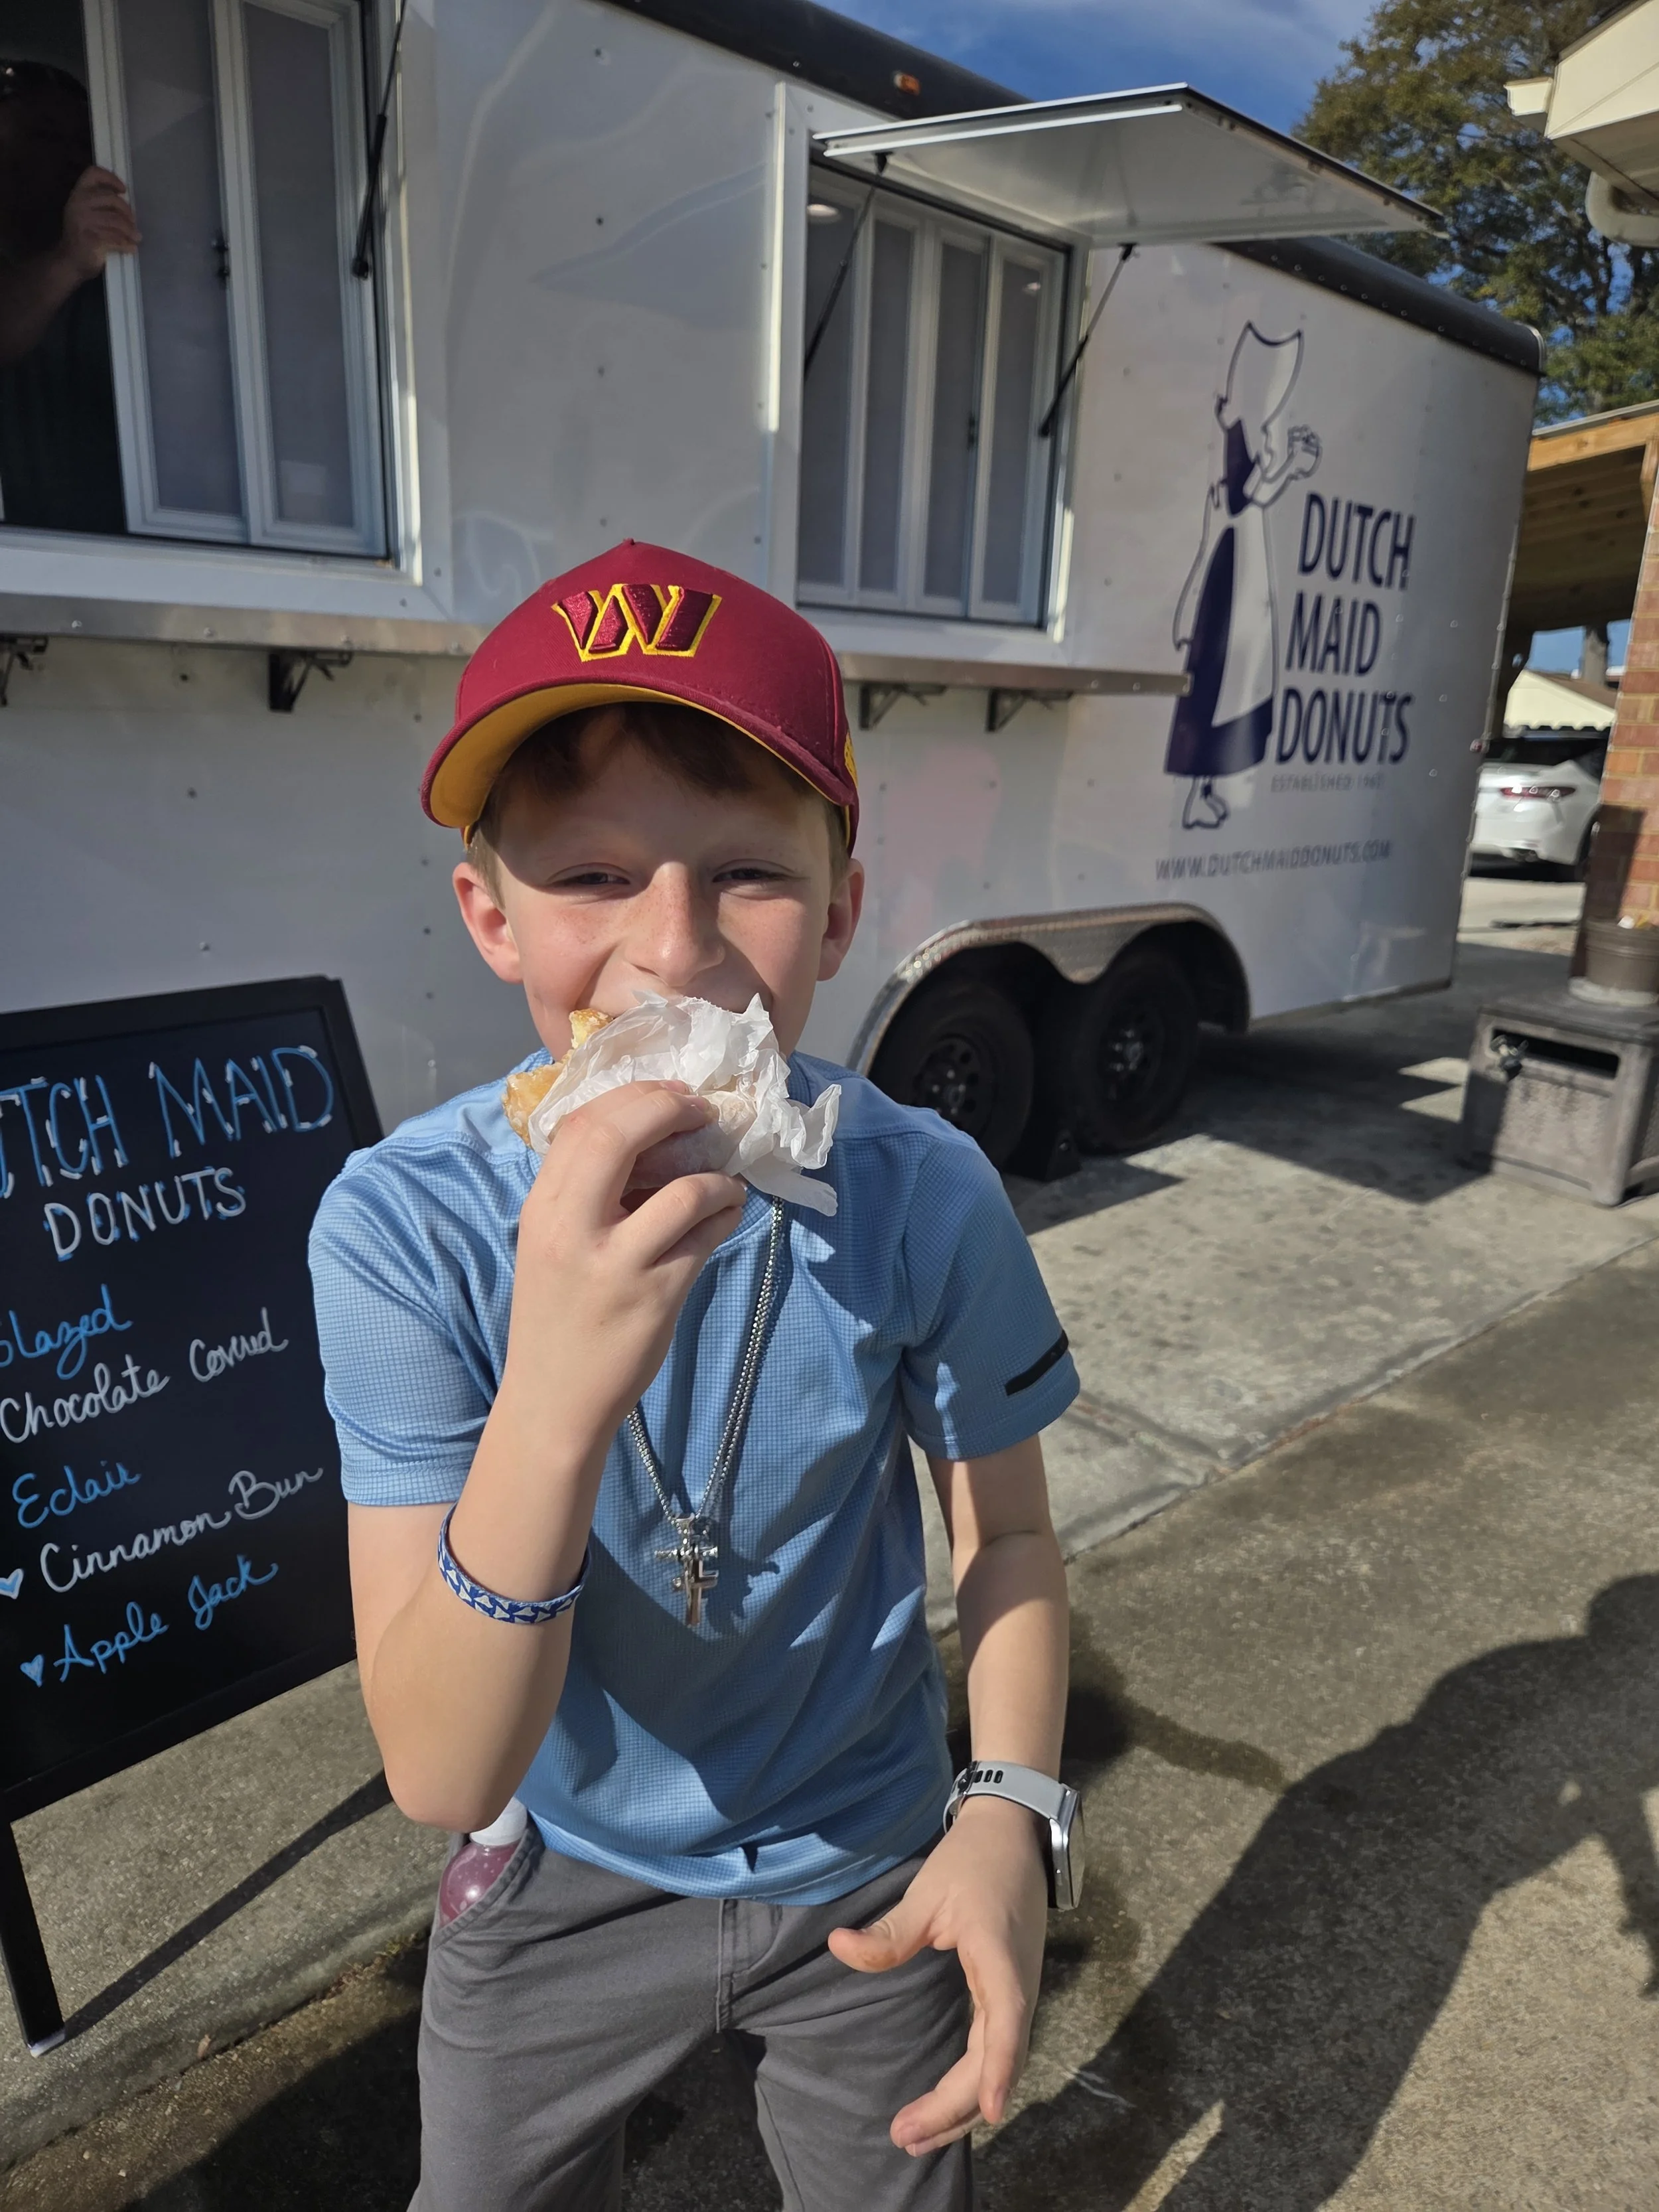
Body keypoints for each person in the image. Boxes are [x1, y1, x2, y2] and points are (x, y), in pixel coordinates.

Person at [309, 540, 1082, 2211]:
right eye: (590, 875)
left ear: (846, 906)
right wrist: (560, 1381)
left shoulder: (923, 1189)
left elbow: (1006, 1541)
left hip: (871, 1844)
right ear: (487, 914)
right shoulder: (402, 1229)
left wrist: (1009, 1810)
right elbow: (440, 1771)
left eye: (747, 871)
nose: (673, 950)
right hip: (560, 1860)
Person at [1164, 323, 1320, 831]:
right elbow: (1242, 496)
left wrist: (1290, 466)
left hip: (1238, 574)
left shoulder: (1243, 433)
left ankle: (1202, 792)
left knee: (1224, 690)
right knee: (1214, 688)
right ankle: (1194, 794)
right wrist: (1292, 467)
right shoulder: (1235, 434)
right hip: (1228, 580)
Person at [0, 58, 135, 532]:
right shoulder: (70, 260)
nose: (70, 160)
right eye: (45, 137)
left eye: (82, 145)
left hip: (127, 550)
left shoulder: (119, 274)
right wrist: (67, 262)